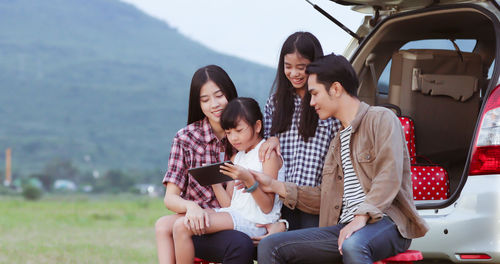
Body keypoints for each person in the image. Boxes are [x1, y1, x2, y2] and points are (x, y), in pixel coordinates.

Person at [253, 54, 429, 264]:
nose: (311, 102)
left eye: (315, 93)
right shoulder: (336, 143)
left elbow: (388, 175)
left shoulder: (381, 118)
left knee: (353, 244)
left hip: (386, 221)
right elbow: (325, 198)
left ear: (335, 89)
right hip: (344, 227)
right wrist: (274, 186)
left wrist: (361, 217)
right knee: (270, 246)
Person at [154, 65, 254, 264]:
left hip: (232, 219)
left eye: (219, 95)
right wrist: (191, 207)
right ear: (197, 104)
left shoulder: (244, 134)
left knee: (238, 243)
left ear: (230, 94)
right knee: (162, 225)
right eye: (205, 99)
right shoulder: (186, 138)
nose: (214, 104)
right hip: (195, 220)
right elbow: (170, 198)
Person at [172, 97, 285, 264]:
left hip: (258, 222)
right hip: (236, 215)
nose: (233, 138)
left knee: (182, 226)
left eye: (239, 131)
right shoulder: (237, 157)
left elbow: (267, 207)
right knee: (172, 222)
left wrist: (248, 180)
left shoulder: (268, 155)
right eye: (229, 132)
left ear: (258, 126)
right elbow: (228, 205)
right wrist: (214, 182)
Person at [259, 31, 342, 230]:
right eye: (288, 67)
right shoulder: (275, 103)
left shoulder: (327, 104)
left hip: (314, 201)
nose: (294, 73)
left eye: (301, 68)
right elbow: (264, 146)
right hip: (281, 199)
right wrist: (269, 139)